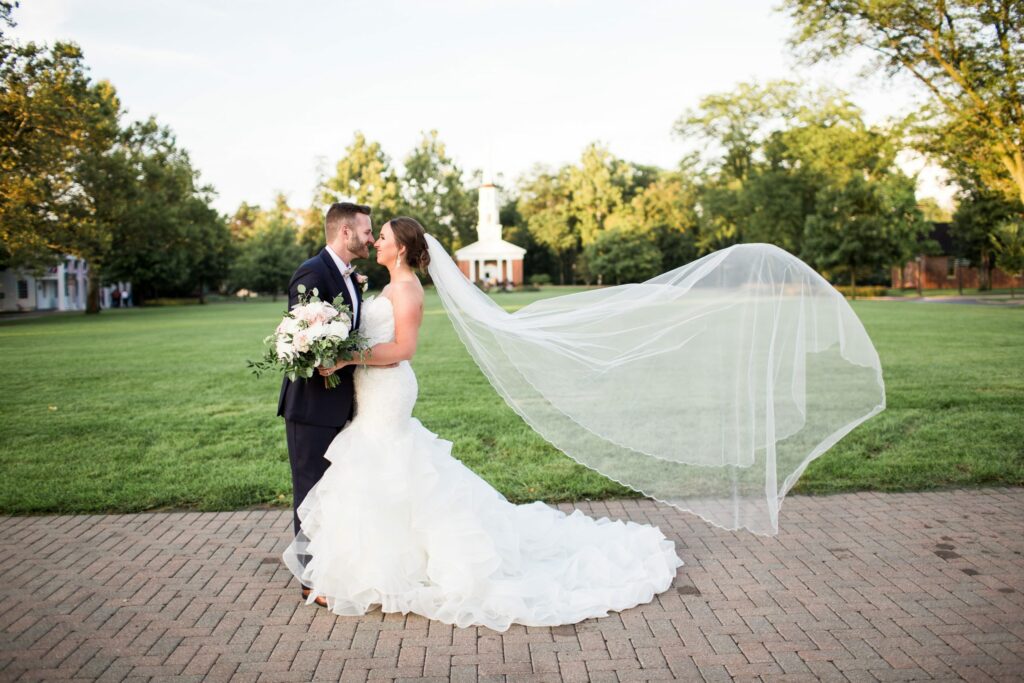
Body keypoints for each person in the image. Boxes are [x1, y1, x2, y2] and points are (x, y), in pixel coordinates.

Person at [284, 217, 684, 630]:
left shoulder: (405, 289)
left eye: (382, 237)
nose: (377, 242)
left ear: (400, 248)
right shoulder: (387, 285)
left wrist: (348, 357)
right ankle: (370, 565)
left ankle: (392, 568)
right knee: (378, 468)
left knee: (389, 463)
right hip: (371, 390)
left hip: (388, 390)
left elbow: (404, 347)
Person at [277, 202, 374, 608]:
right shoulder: (313, 272)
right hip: (312, 407)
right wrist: (321, 357)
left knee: (331, 492)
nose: (371, 238)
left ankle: (333, 566)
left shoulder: (348, 276)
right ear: (345, 233)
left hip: (340, 403)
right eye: (367, 231)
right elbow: (300, 331)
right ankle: (309, 580)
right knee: (310, 490)